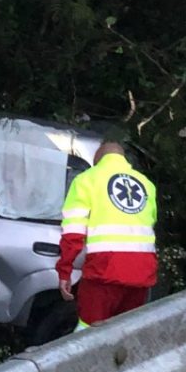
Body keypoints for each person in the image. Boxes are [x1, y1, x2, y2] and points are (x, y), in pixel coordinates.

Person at [56, 141, 157, 331]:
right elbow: (149, 224)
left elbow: (73, 232)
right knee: (127, 331)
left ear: (98, 160)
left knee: (89, 330)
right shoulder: (147, 185)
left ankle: (82, 361)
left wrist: (65, 271)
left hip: (104, 271)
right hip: (142, 273)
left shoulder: (87, 180)